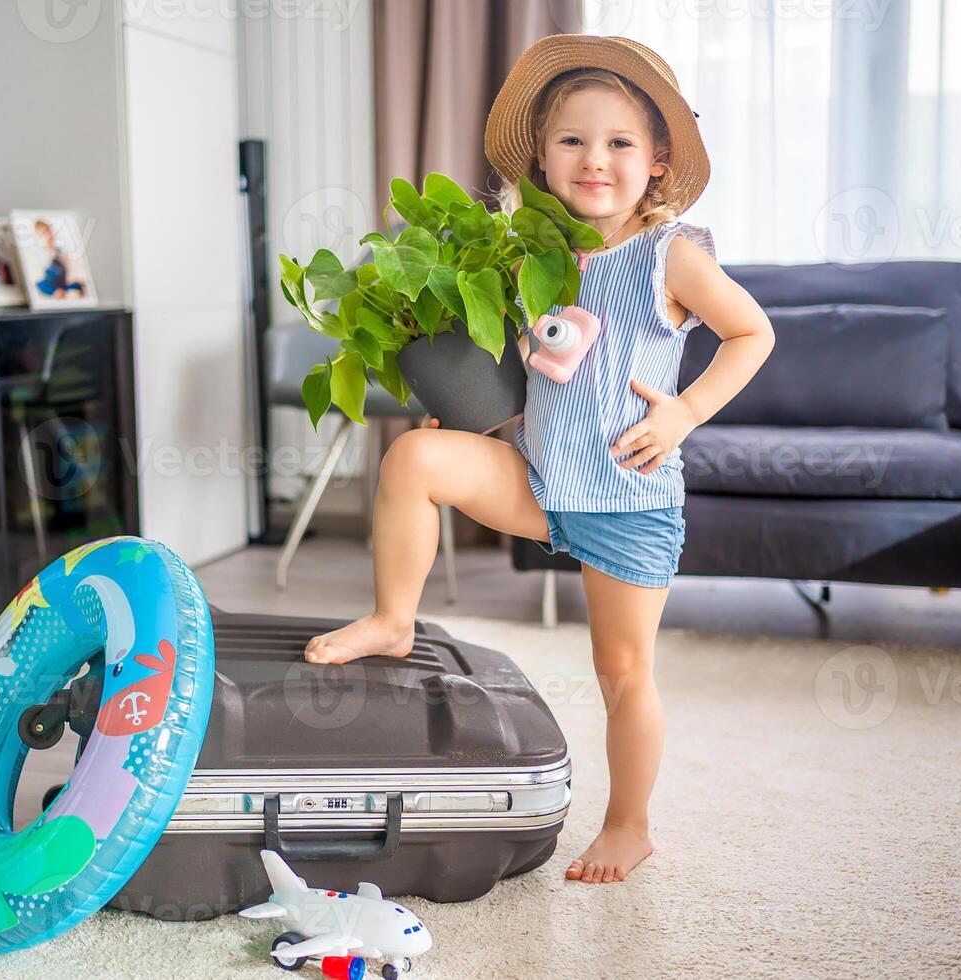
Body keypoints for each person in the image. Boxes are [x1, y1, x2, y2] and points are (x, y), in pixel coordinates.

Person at [302, 35, 775, 884]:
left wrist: (686, 412)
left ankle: (630, 823)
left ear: (658, 161)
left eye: (620, 143)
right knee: (413, 460)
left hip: (629, 496)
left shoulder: (670, 256)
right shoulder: (528, 257)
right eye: (573, 142)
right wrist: (474, 406)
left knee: (624, 672)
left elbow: (754, 332)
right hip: (540, 479)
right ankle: (393, 617)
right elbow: (515, 358)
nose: (595, 160)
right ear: (543, 160)